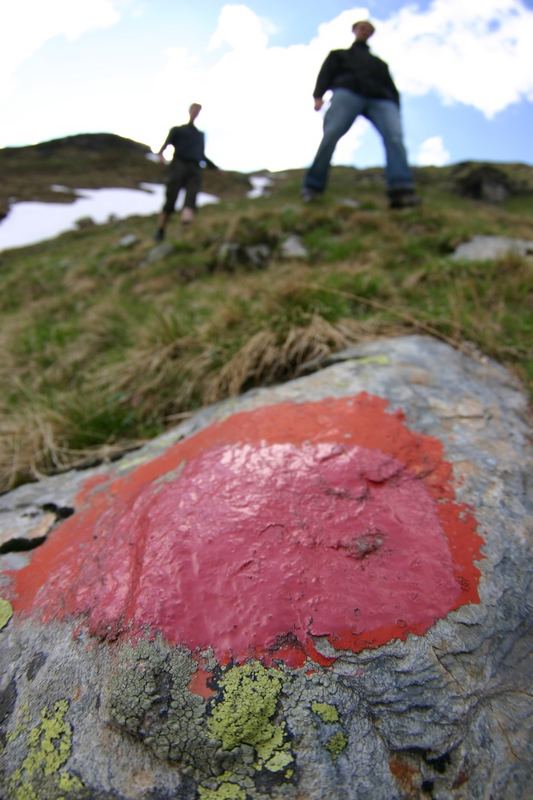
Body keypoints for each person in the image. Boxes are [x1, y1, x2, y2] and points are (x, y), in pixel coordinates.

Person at [302, 20, 419, 209]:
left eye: (368, 29)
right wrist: (318, 95)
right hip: (347, 92)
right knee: (331, 134)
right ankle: (313, 187)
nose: (365, 31)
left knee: (395, 138)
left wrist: (395, 107)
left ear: (371, 34)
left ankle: (402, 190)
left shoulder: (380, 64)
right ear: (354, 30)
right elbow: (326, 73)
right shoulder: (339, 55)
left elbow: (391, 87)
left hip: (380, 99)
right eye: (361, 28)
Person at [154, 103, 218, 241]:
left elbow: (201, 155)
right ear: (189, 111)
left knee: (191, 197)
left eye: (198, 111)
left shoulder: (200, 135)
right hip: (178, 164)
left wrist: (216, 168)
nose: (196, 113)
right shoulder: (177, 130)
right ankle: (161, 230)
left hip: (195, 168)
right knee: (171, 199)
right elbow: (165, 145)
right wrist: (161, 155)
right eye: (194, 110)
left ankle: (185, 232)